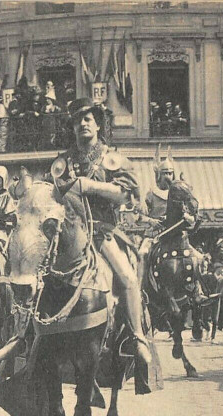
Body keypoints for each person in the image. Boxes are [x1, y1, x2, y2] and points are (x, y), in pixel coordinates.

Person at [49, 98, 152, 364]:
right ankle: (25, 337)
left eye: (87, 119)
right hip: (69, 236)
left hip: (102, 234)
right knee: (36, 278)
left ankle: (137, 338)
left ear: (97, 125)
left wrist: (90, 186)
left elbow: (125, 195)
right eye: (77, 121)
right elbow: (52, 194)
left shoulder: (111, 159)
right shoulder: (63, 162)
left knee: (128, 278)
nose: (82, 124)